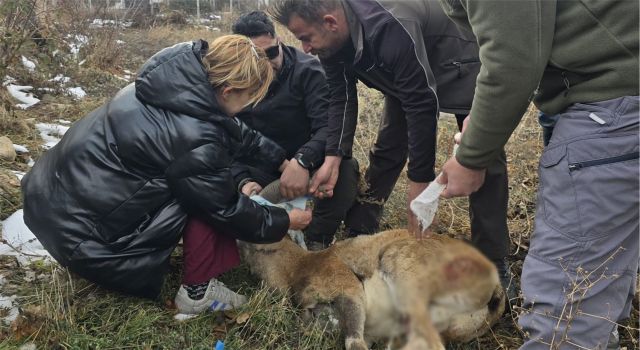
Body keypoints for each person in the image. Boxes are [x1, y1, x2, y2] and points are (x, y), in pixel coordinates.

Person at [20, 35, 312, 314]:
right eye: (248, 99)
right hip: (83, 241)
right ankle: (196, 294)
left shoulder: (174, 84)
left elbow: (230, 130)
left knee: (202, 181)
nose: (246, 108)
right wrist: (286, 219)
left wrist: (282, 161)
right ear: (228, 92)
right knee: (208, 194)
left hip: (50, 207)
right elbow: (225, 208)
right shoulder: (194, 136)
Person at [268, 0, 513, 290]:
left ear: (330, 22)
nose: (304, 48)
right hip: (403, 71)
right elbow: (341, 97)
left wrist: (419, 182)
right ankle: (362, 225)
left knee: (482, 155)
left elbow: (421, 103)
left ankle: (493, 259)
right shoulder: (332, 40)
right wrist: (333, 157)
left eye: (305, 38)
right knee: (388, 146)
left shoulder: (390, 26)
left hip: (456, 58)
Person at [435, 1, 639, 349]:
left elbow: (513, 60)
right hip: (618, 99)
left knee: (562, 318)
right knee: (602, 274)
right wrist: (482, 122)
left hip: (611, 109)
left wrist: (471, 158)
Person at [231, 11, 359, 251]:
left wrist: (303, 161)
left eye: (271, 52)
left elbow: (329, 127)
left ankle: (317, 240)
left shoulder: (309, 71)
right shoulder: (233, 81)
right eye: (258, 57)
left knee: (345, 168)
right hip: (259, 173)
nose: (268, 62)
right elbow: (225, 140)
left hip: (305, 168)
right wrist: (242, 181)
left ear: (278, 40)